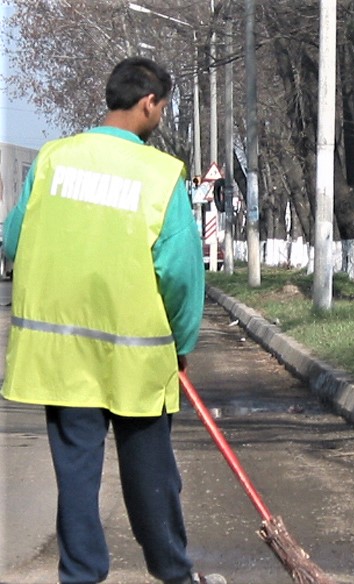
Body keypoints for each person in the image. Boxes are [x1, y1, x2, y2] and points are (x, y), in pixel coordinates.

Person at [2, 57, 222, 584]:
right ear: (149, 103)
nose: (161, 118)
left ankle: (80, 577)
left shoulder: (54, 159)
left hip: (62, 355)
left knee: (76, 475)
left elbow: (14, 241)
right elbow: (181, 274)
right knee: (151, 474)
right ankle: (172, 572)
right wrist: (182, 342)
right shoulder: (159, 173)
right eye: (164, 109)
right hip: (137, 357)